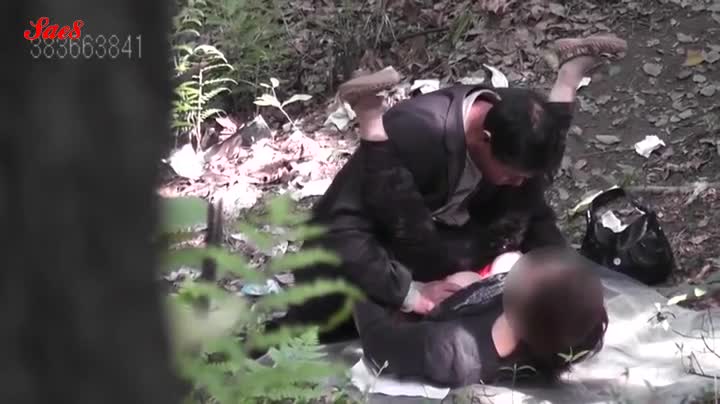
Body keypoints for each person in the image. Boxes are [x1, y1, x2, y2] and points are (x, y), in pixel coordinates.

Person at [277, 34, 627, 342]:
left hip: (452, 229)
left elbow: (530, 201)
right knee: (408, 242)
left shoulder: (518, 118)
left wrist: (566, 273)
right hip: (364, 255)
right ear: (483, 139)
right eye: (511, 174)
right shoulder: (414, 134)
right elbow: (340, 229)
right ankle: (369, 114)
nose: (520, 183)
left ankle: (569, 75)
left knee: (529, 193)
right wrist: (410, 294)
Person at [353, 246, 609, 386]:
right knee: (507, 259)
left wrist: (376, 286)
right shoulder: (583, 329)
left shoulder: (453, 350)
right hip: (482, 302)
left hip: (432, 314)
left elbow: (379, 345)